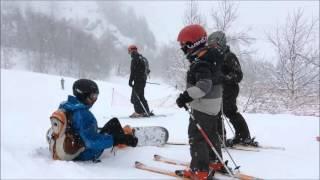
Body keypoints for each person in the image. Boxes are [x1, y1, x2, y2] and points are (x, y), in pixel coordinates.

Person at [175, 24, 228, 180]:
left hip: (203, 105)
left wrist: (186, 96)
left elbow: (204, 86)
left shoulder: (201, 62)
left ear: (194, 43)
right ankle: (215, 161)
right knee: (211, 133)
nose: (182, 48)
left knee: (197, 136)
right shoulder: (211, 56)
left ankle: (200, 170)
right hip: (213, 104)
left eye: (184, 45)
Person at [48, 79, 138, 161]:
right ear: (83, 95)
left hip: (71, 147)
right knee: (113, 124)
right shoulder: (83, 114)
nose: (95, 100)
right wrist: (117, 140)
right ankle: (125, 138)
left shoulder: (66, 106)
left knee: (105, 130)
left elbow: (77, 128)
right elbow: (91, 142)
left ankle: (121, 135)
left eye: (96, 96)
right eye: (93, 96)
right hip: (86, 153)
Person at [208, 31, 258, 147]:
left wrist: (225, 78)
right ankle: (222, 137)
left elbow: (238, 75)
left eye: (214, 44)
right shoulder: (215, 57)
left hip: (229, 89)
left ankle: (241, 136)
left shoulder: (229, 56)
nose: (211, 46)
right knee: (217, 112)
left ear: (221, 43)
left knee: (228, 112)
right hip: (218, 90)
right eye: (210, 45)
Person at [128, 45, 153, 117]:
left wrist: (130, 81)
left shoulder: (135, 59)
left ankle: (138, 112)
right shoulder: (143, 58)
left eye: (129, 51)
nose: (129, 53)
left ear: (132, 51)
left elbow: (133, 71)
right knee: (141, 97)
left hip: (138, 81)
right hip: (143, 81)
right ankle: (146, 111)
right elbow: (147, 70)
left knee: (135, 98)